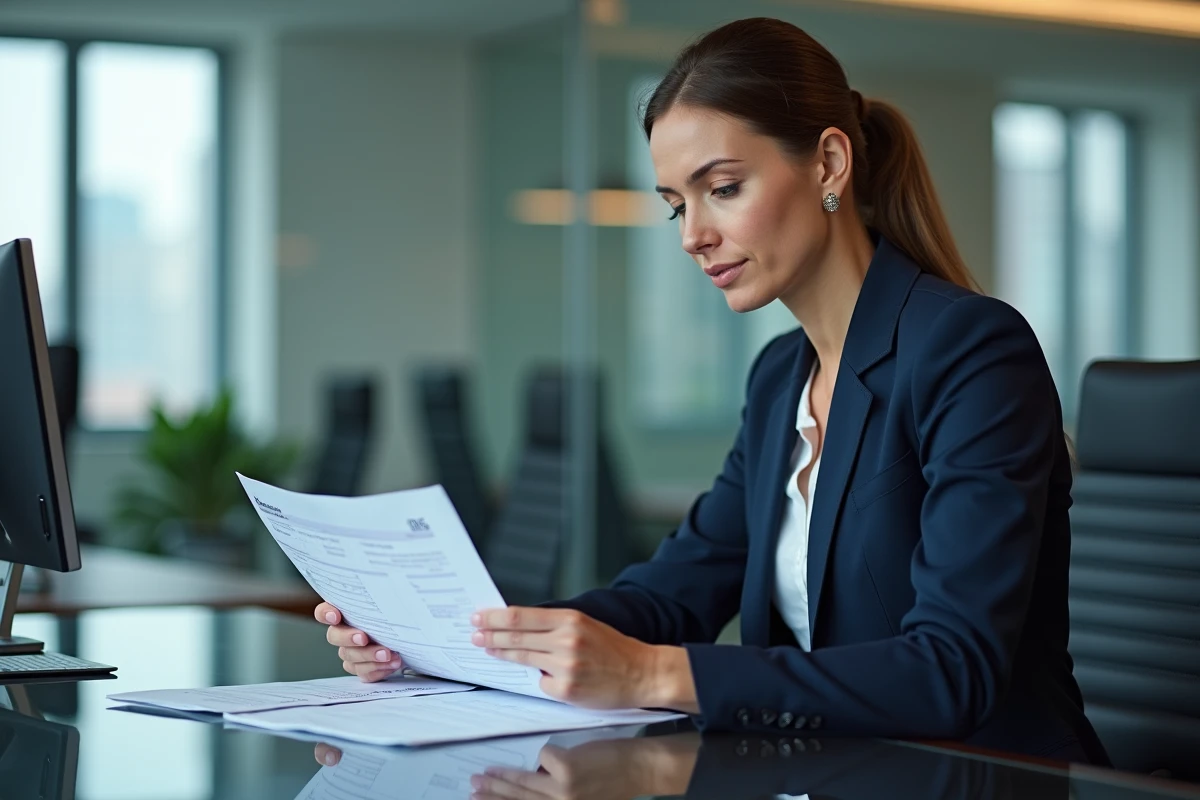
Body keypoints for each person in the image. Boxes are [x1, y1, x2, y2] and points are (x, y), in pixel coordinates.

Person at [316, 16, 1110, 765]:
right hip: (831, 774)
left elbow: (951, 669)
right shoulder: (779, 381)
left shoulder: (968, 349)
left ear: (829, 164)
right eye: (676, 206)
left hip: (993, 780)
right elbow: (672, 593)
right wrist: (453, 642)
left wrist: (655, 676)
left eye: (722, 188)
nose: (693, 234)